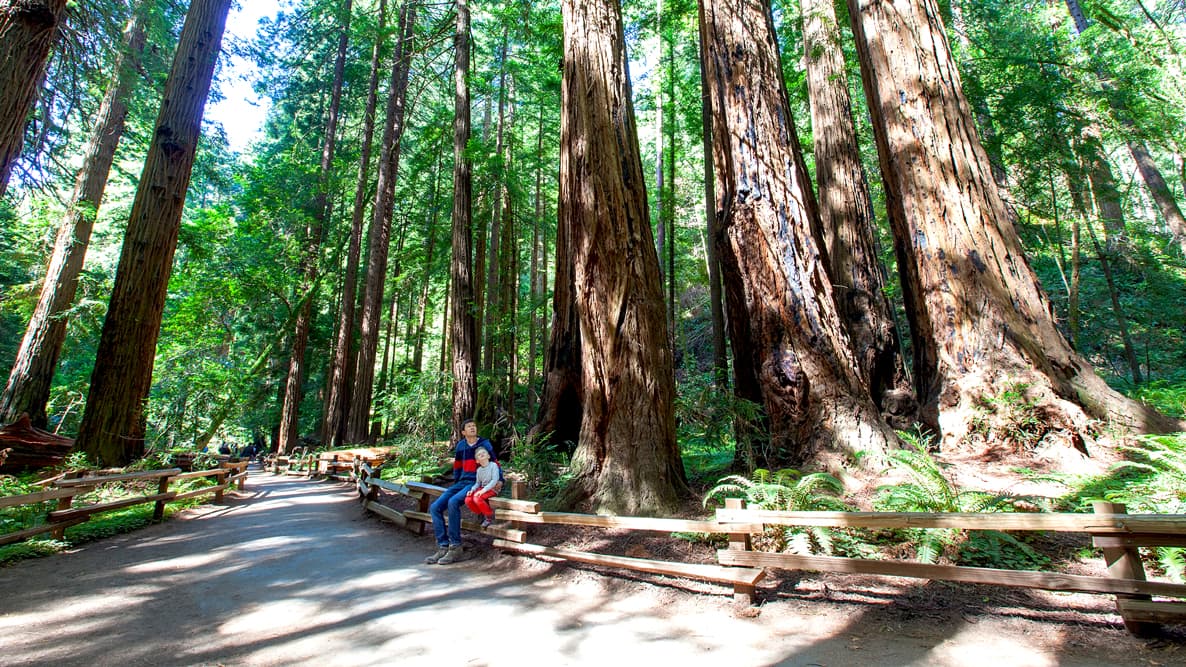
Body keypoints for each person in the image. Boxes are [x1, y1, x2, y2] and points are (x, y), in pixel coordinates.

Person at [425, 419, 499, 565]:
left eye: (474, 426)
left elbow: (495, 463)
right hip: (461, 482)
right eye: (469, 426)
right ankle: (443, 546)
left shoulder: (484, 444)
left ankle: (455, 547)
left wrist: (500, 480)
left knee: (453, 502)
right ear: (463, 432)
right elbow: (458, 466)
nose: (472, 428)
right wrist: (456, 482)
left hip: (475, 482)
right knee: (435, 507)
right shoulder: (461, 445)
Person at [464, 447, 501, 528]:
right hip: (483, 488)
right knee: (468, 499)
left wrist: (483, 490)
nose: (481, 454)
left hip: (493, 489)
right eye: (479, 454)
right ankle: (480, 513)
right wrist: (472, 490)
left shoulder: (493, 465)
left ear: (488, 456)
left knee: (477, 498)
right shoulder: (479, 470)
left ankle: (489, 516)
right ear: (477, 461)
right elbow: (478, 483)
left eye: (483, 452)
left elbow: (494, 480)